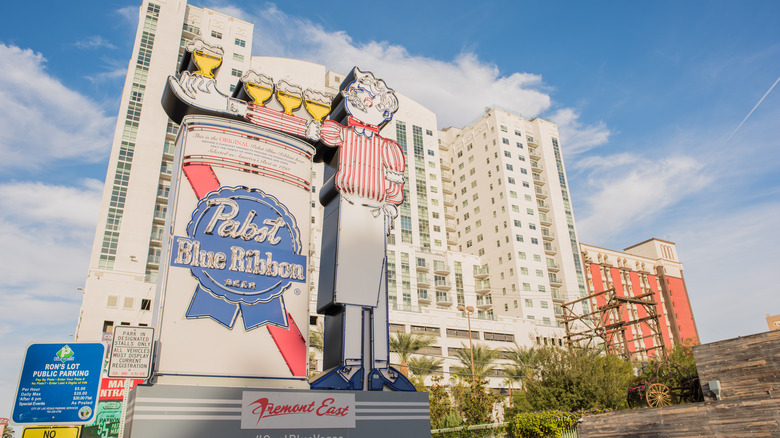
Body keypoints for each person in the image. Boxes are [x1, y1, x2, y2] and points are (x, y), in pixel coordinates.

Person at [310, 68, 414, 391]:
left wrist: (388, 205)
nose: (359, 100)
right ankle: (350, 364)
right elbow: (318, 131)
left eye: (367, 98)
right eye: (357, 96)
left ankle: (381, 366)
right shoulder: (343, 133)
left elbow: (397, 188)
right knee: (351, 293)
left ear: (382, 109)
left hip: (376, 215)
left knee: (378, 294)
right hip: (348, 209)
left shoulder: (389, 148)